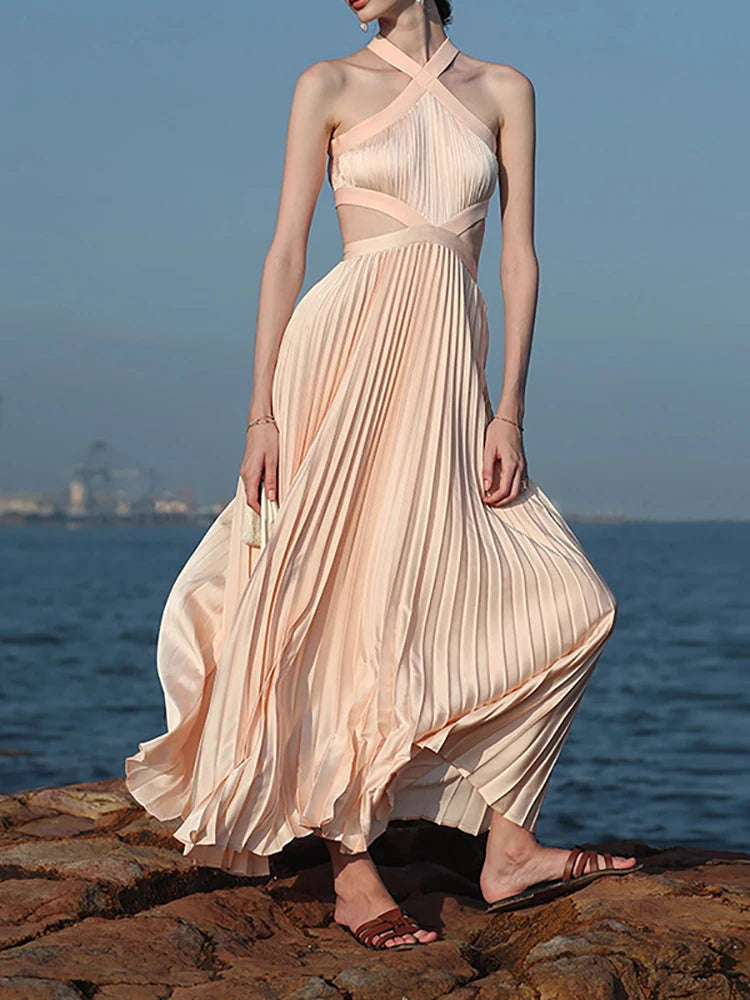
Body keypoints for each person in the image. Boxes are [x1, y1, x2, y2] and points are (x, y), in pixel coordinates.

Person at [125, 0, 642, 952]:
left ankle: (508, 843)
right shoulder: (324, 82)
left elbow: (518, 259)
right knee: (331, 600)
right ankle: (352, 867)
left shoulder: (504, 90)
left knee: (576, 600)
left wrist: (510, 409)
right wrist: (261, 413)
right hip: (339, 358)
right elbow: (287, 250)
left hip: (448, 373)